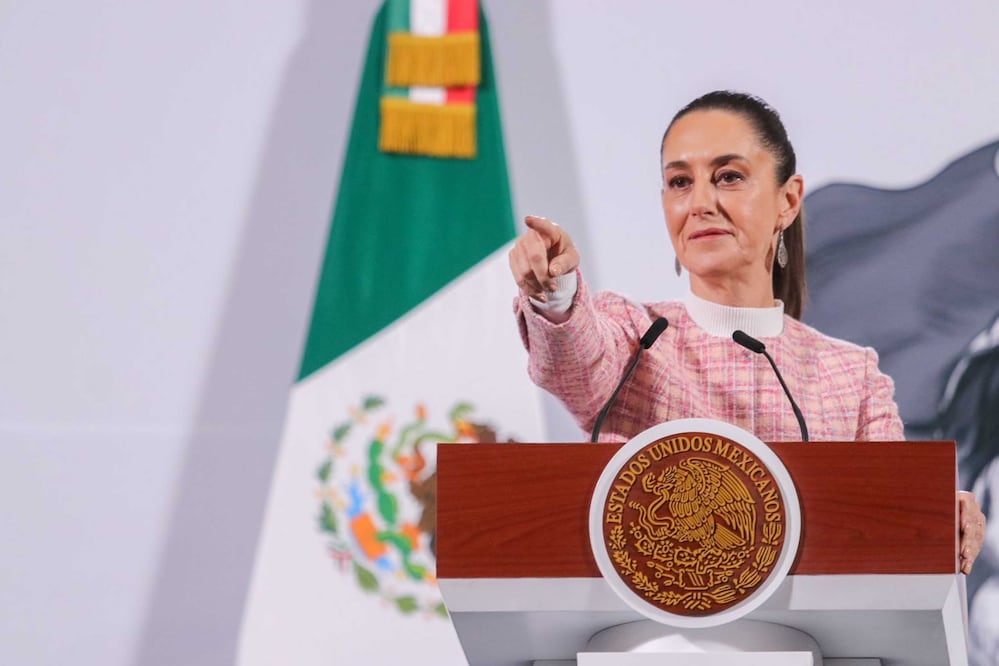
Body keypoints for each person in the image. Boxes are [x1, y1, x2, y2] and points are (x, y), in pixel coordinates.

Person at [508, 90, 985, 574]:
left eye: (728, 177)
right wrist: (555, 291)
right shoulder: (635, 337)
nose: (699, 203)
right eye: (679, 182)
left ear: (788, 200)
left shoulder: (851, 377)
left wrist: (940, 514)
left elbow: (891, 512)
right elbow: (574, 362)